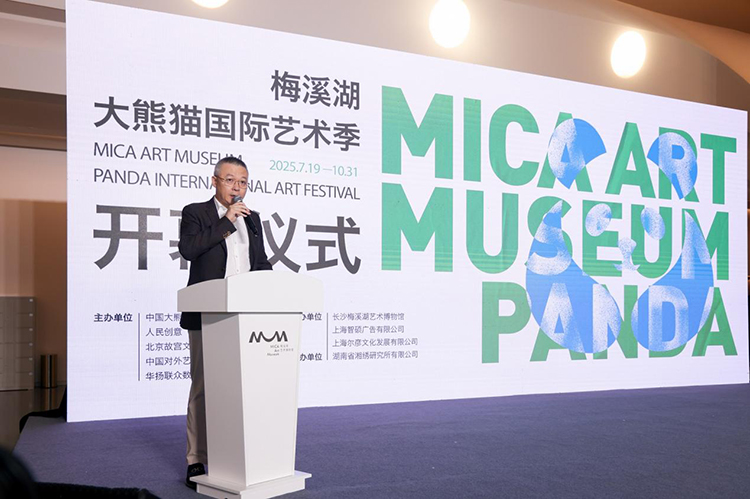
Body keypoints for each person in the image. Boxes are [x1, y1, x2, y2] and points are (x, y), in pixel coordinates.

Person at [178, 156, 272, 489]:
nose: (237, 187)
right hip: (207, 313)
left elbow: (260, 263)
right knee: (204, 387)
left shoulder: (253, 218)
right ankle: (196, 458)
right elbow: (189, 249)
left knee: (245, 387)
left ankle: (239, 453)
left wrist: (274, 289)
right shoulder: (196, 213)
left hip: (246, 316)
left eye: (243, 181)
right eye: (230, 180)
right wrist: (227, 220)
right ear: (215, 181)